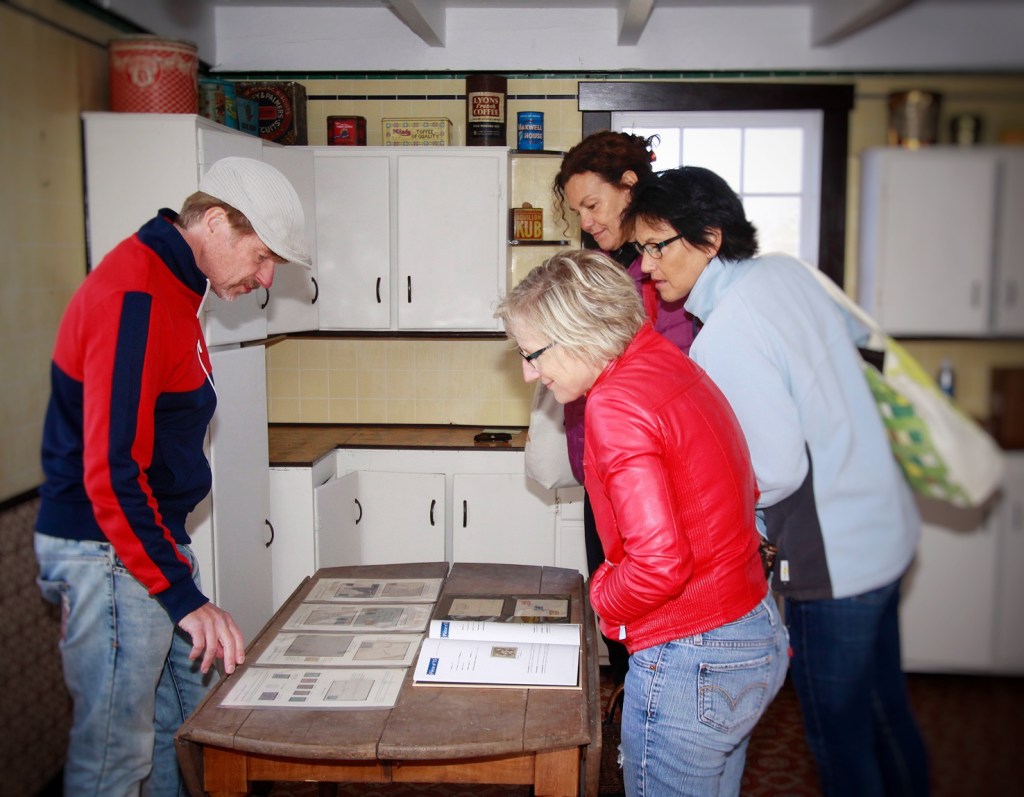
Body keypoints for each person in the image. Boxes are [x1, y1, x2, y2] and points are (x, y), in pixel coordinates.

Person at [626, 166, 929, 797]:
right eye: (641, 249)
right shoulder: (784, 272)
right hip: (885, 522)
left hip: (835, 559)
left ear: (710, 238)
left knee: (839, 742)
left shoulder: (728, 332)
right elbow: (864, 348)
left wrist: (700, 496)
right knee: (885, 716)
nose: (647, 266)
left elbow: (776, 471)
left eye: (657, 246)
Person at [34, 156, 312, 797]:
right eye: (261, 255)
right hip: (108, 551)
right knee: (114, 761)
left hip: (142, 546)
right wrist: (183, 595)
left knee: (180, 728)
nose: (266, 278)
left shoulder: (175, 288)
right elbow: (110, 469)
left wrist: (175, 568)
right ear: (214, 222)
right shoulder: (136, 295)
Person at [496, 250, 788, 797]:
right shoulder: (663, 359)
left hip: (692, 654)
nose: (529, 372)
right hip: (750, 626)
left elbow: (658, 564)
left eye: (533, 353)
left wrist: (600, 595)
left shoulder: (615, 404)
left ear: (577, 333)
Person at [552, 131, 694, 693]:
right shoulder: (601, 267)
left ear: (630, 186)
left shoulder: (667, 276)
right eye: (577, 212)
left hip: (650, 473)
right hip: (601, 472)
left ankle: (653, 712)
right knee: (612, 604)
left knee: (651, 610)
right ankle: (635, 708)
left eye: (593, 205)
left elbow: (673, 379)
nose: (586, 222)